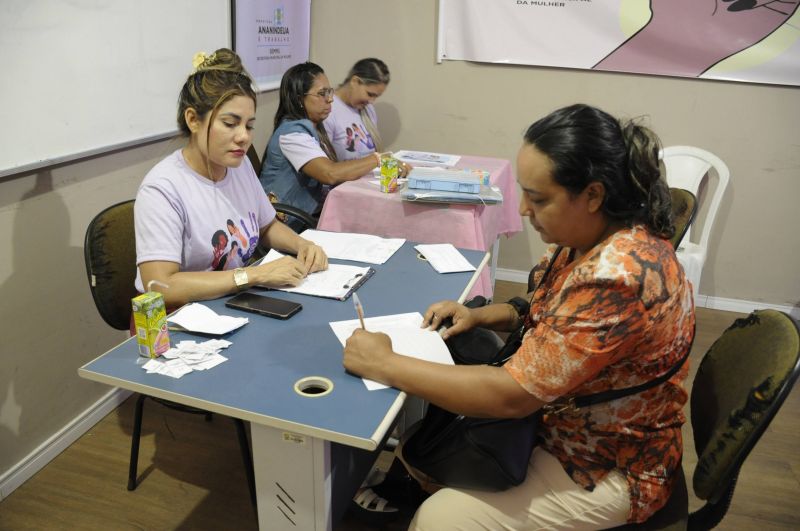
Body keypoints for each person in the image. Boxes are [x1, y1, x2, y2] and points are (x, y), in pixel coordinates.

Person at [343, 104, 696, 529]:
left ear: (593, 194)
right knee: (454, 370)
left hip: (605, 461)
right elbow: (551, 309)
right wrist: (482, 316)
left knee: (443, 519)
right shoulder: (596, 234)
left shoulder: (617, 276)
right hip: (567, 423)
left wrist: (381, 362)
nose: (524, 209)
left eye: (539, 197)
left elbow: (512, 396)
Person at [134, 48, 327, 307]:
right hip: (177, 320)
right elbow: (160, 286)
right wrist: (254, 275)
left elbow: (267, 225)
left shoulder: (239, 164)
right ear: (193, 120)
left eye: (248, 125)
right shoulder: (162, 189)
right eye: (229, 123)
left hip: (231, 303)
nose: (244, 137)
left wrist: (302, 244)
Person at [259, 62, 409, 226]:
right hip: (289, 225)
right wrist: (378, 159)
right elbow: (330, 173)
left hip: (310, 213)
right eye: (322, 93)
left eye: (329, 91)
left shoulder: (314, 125)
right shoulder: (292, 134)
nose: (330, 99)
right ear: (299, 99)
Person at [324, 58, 392, 161]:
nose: (372, 101)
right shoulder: (327, 109)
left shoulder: (368, 110)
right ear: (354, 81)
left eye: (376, 96)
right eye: (370, 94)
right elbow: (324, 165)